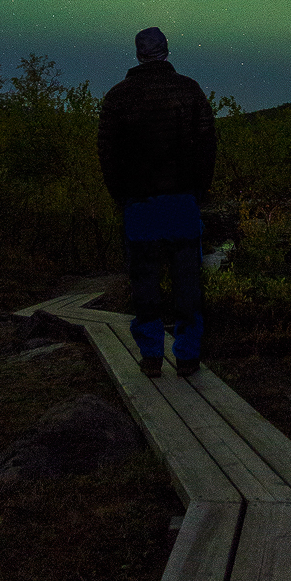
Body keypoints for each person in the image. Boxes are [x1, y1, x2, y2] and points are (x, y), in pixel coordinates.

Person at [97, 26, 216, 379]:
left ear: (138, 54)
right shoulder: (189, 91)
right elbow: (207, 147)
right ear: (166, 51)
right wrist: (198, 192)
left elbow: (108, 155)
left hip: (140, 205)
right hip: (181, 202)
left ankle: (151, 356)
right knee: (187, 283)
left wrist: (122, 197)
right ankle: (188, 356)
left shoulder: (117, 97)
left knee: (144, 282)